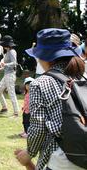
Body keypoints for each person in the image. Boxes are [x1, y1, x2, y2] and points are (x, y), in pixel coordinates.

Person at [15, 28, 85, 170]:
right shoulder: (81, 77)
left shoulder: (40, 83)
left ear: (44, 57)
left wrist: (30, 153)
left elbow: (38, 127)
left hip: (62, 157)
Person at [0, 35, 19, 117]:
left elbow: (14, 63)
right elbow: (6, 65)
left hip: (11, 75)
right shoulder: (8, 52)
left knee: (11, 93)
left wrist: (4, 64)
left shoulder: (12, 51)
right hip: (6, 75)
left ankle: (16, 112)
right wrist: (1, 69)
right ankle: (5, 108)